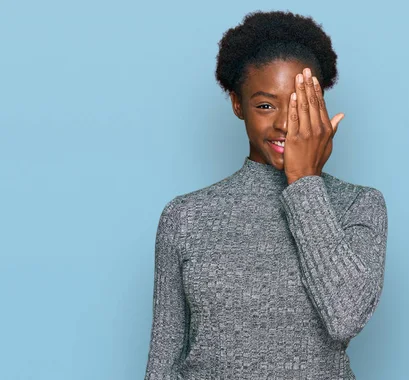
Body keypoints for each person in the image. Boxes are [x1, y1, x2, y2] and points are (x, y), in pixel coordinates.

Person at [144, 10, 388, 380]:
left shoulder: (359, 205)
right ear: (237, 104)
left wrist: (304, 182)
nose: (283, 124)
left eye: (298, 105)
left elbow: (345, 318)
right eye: (265, 105)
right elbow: (162, 362)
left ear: (319, 105)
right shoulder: (185, 217)